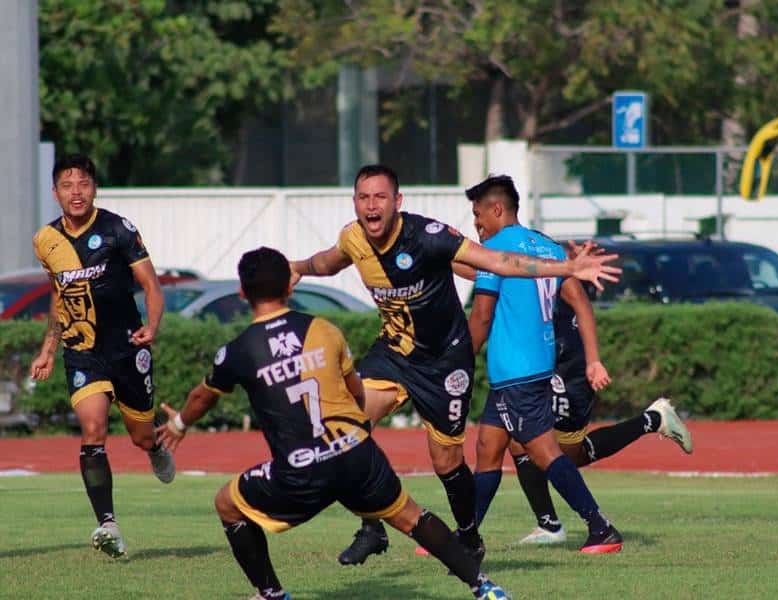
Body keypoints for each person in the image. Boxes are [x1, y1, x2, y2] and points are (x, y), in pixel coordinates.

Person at [289, 164, 621, 566]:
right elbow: (329, 262)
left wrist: (566, 268)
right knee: (355, 428)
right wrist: (297, 269)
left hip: (460, 366)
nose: (371, 205)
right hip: (403, 355)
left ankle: (497, 533)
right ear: (355, 202)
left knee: (482, 459)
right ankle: (381, 528)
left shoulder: (450, 239)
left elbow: (492, 278)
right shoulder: (355, 238)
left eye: (380, 197)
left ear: (398, 202)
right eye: (363, 197)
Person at [156, 247, 509, 600]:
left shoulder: (238, 351)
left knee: (227, 505)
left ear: (242, 293)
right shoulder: (323, 329)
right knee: (412, 517)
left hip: (301, 470)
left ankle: (271, 593)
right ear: (289, 288)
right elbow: (355, 389)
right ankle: (485, 588)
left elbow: (204, 397)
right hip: (356, 454)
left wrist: (179, 424)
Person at [463, 174, 623, 553]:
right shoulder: (546, 247)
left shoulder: (497, 247)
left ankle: (600, 527)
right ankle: (465, 534)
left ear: (496, 209)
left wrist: (456, 363)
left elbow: (482, 316)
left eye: (477, 214)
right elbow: (578, 299)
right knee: (488, 446)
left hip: (517, 371)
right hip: (529, 368)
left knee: (545, 453)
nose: (476, 224)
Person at [29, 154, 174, 559]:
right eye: (67, 185)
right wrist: (48, 348)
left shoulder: (117, 229)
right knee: (93, 429)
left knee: (140, 435)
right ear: (55, 192)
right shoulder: (46, 240)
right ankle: (107, 523)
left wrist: (154, 325)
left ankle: (155, 445)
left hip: (127, 348)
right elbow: (59, 295)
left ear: (94, 188)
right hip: (82, 351)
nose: (76, 192)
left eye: (84, 183)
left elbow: (152, 285)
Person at [507, 280, 693, 544]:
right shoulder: (511, 256)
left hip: (568, 370)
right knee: (519, 440)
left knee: (564, 454)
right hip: (541, 362)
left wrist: (593, 362)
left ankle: (652, 420)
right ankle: (548, 524)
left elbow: (579, 303)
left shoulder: (540, 258)